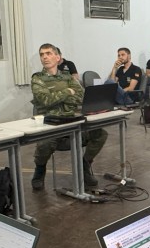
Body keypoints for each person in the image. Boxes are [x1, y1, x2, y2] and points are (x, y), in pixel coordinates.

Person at [31, 44, 107, 189]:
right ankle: (39, 170)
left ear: (57, 57)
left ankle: (85, 164)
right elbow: (45, 100)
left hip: (71, 124)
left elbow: (81, 97)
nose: (45, 57)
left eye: (48, 53)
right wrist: (68, 92)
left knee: (100, 134)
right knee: (45, 144)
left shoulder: (67, 77)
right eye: (42, 54)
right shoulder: (37, 79)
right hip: (50, 126)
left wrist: (61, 95)